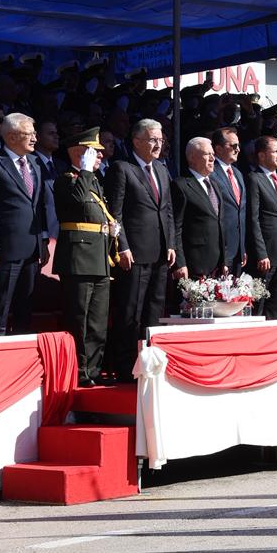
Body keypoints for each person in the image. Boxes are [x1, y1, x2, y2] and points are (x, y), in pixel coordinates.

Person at [104, 118, 178, 379]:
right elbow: (115, 213)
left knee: (154, 310)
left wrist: (171, 244)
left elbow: (167, 212)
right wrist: (121, 246)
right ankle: (124, 368)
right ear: (136, 141)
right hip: (133, 253)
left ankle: (149, 363)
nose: (158, 144)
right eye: (152, 139)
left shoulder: (161, 169)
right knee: (129, 311)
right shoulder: (122, 169)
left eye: (161, 139)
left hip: (159, 252)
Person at [54, 128, 127, 386]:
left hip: (98, 257)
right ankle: (79, 371)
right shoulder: (66, 180)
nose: (101, 155)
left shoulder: (93, 180)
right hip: (78, 259)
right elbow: (76, 200)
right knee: (80, 318)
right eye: (94, 151)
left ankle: (92, 371)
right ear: (78, 153)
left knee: (97, 322)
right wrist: (84, 170)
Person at [0, 113, 49, 336]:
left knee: (24, 311)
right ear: (11, 137)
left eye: (34, 134)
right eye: (29, 134)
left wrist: (43, 241)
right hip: (5, 250)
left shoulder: (35, 164)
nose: (35, 139)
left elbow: (38, 206)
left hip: (31, 249)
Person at [245, 134, 277, 319]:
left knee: (275, 306)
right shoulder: (254, 179)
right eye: (275, 151)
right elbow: (253, 219)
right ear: (261, 155)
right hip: (265, 256)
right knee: (258, 306)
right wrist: (261, 253)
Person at [173, 137, 228, 280]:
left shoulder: (215, 185)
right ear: (192, 157)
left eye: (213, 155)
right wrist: (180, 263)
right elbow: (176, 228)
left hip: (217, 266)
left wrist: (224, 260)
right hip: (194, 264)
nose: (212, 159)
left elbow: (220, 223)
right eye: (207, 154)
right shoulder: (181, 185)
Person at [211, 126, 248, 276]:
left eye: (238, 145)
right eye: (233, 145)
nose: (238, 149)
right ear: (218, 149)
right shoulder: (211, 173)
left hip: (238, 249)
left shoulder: (238, 174)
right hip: (221, 250)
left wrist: (242, 248)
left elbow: (241, 212)